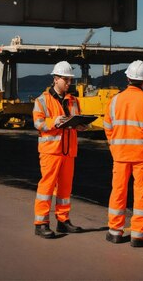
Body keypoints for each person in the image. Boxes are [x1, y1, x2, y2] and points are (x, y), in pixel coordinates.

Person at [103, 60, 143, 247]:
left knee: (118, 192)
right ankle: (138, 235)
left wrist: (115, 145)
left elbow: (107, 127)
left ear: (128, 78)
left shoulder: (114, 100)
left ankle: (115, 231)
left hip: (120, 155)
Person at [33, 61, 86, 238]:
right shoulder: (42, 100)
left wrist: (79, 125)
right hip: (50, 151)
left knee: (65, 188)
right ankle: (41, 223)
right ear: (56, 79)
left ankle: (63, 221)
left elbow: (74, 120)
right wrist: (54, 122)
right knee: (46, 187)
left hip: (68, 151)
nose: (69, 83)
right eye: (66, 80)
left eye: (70, 80)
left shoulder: (73, 100)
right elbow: (38, 123)